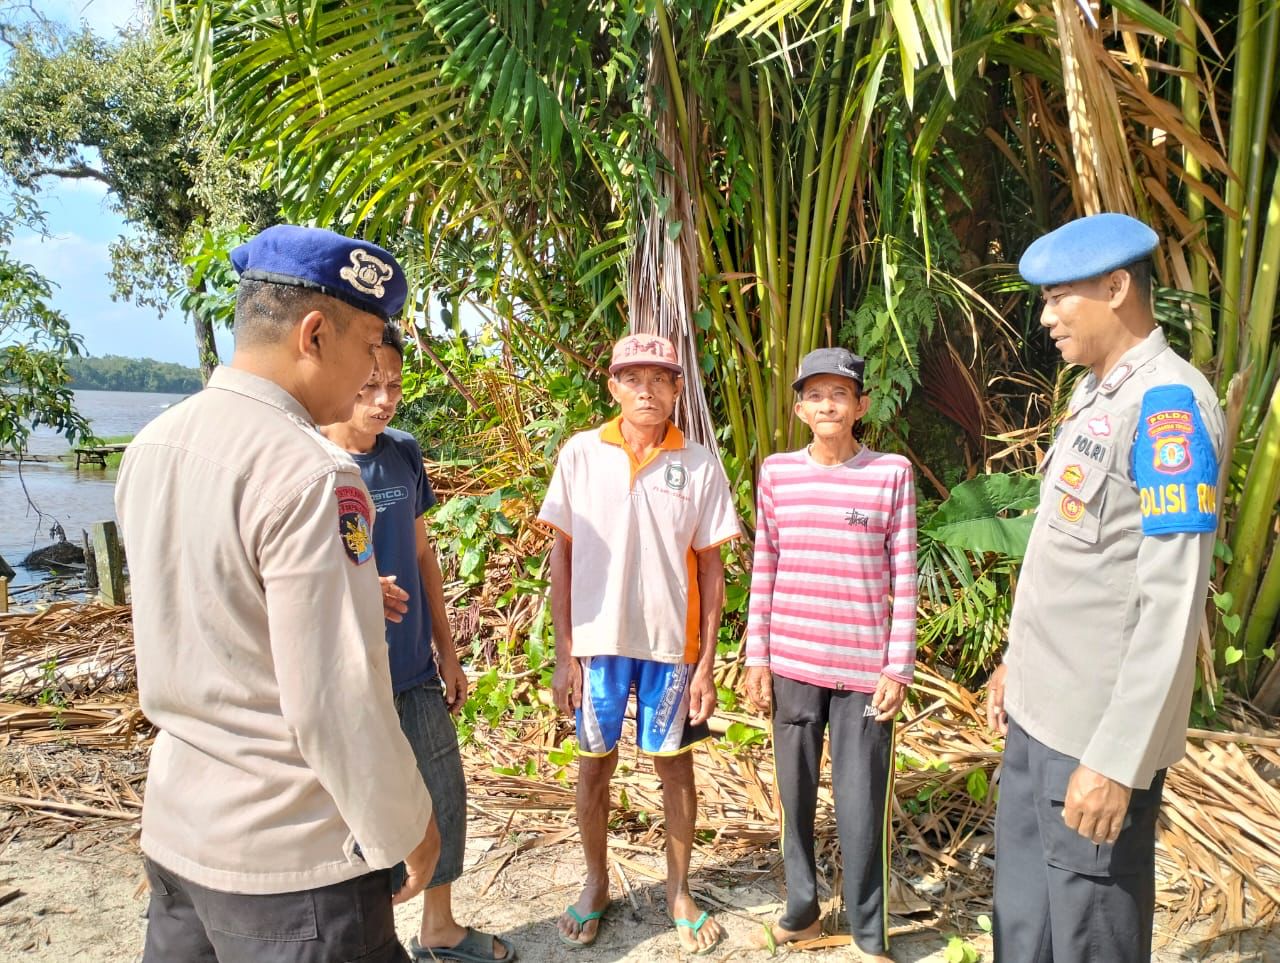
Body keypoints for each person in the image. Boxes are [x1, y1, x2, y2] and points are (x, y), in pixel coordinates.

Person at [117, 225, 440, 963]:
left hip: (179, 830)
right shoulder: (314, 474)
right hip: (292, 863)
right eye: (368, 346)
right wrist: (410, 821)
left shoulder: (156, 445)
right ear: (315, 333)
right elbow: (335, 698)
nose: (370, 374)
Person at [985, 212, 1224, 963]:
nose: (1047, 316)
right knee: (1025, 930)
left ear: (1118, 287)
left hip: (1091, 743)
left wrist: (1116, 760)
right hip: (1037, 723)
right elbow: (1071, 563)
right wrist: (1013, 665)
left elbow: (1170, 605)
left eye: (1061, 298)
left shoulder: (1168, 409)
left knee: (1090, 940)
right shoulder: (1095, 396)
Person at [537, 333, 740, 955]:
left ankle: (679, 890)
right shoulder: (580, 454)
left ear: (679, 388)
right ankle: (597, 881)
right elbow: (562, 558)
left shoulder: (700, 464)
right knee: (593, 765)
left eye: (660, 378)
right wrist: (563, 653)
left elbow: (711, 572)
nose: (647, 390)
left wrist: (706, 665)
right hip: (598, 645)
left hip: (669, 646)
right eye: (634, 378)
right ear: (613, 387)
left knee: (673, 765)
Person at [320, 324, 514, 962]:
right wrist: (356, 585)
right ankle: (367, 938)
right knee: (355, 815)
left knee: (442, 790)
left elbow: (424, 551)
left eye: (395, 385)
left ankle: (439, 925)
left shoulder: (402, 452)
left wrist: (448, 650)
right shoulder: (314, 460)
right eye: (370, 385)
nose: (383, 400)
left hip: (412, 668)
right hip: (348, 677)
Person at [742, 347, 917, 963]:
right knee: (795, 795)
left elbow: (906, 573)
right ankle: (802, 909)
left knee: (861, 803)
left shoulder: (891, 472)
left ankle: (870, 934)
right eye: (815, 395)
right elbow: (766, 565)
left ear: (860, 405)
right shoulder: (777, 473)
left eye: (839, 394)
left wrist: (898, 665)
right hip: (792, 664)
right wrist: (756, 656)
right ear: (799, 409)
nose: (827, 405)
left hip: (863, 673)